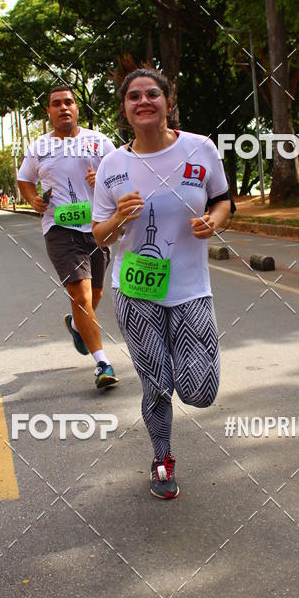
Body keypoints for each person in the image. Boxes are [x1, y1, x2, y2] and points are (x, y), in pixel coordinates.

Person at [92, 68, 233, 500]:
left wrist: (214, 221)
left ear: (168, 102)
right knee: (156, 385)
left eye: (153, 93)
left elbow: (223, 199)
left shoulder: (200, 148)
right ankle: (162, 459)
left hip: (191, 289)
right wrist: (118, 218)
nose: (144, 100)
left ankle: (184, 367)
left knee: (200, 391)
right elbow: (99, 234)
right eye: (134, 96)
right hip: (137, 290)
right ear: (125, 110)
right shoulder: (113, 164)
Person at [17, 84, 119, 390]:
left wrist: (102, 180)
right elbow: (25, 180)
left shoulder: (99, 142)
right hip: (60, 229)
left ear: (77, 109)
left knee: (96, 295)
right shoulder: (39, 148)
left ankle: (76, 325)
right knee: (82, 295)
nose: (63, 107)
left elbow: (123, 177)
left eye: (69, 102)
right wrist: (33, 200)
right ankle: (102, 363)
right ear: (48, 111)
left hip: (98, 229)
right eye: (56, 103)